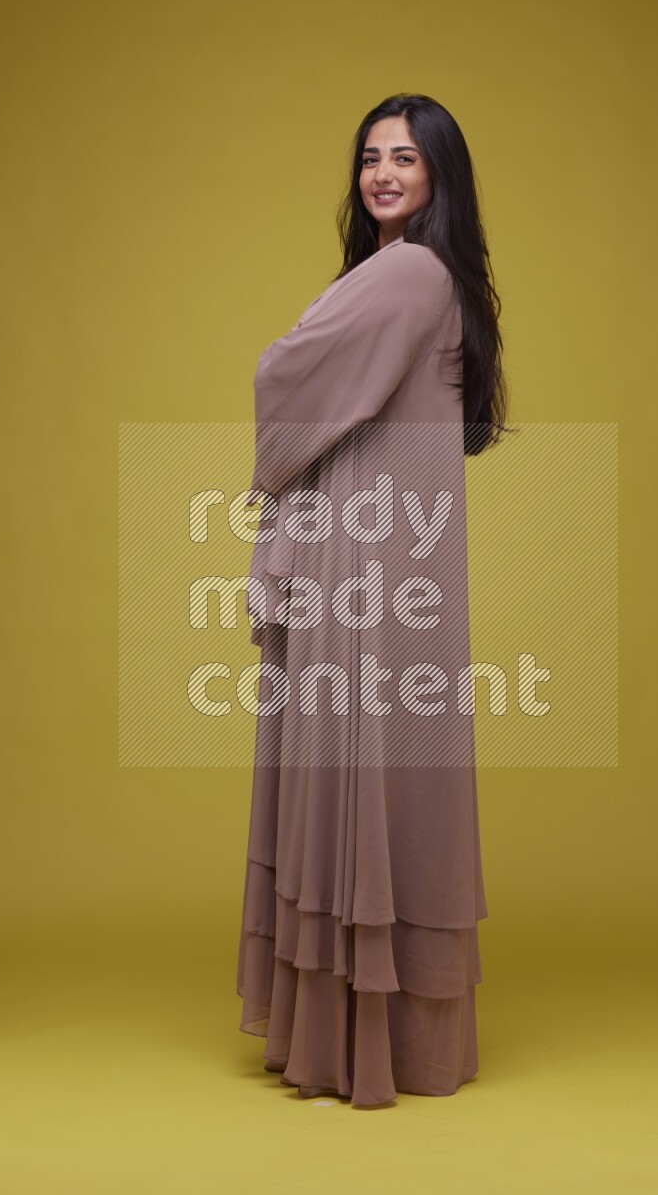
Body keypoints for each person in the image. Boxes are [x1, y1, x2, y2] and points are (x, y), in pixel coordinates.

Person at [236, 92, 510, 1108]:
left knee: (357, 761)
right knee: (389, 765)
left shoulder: (404, 272)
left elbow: (283, 373)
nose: (382, 174)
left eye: (403, 157)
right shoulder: (429, 274)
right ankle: (387, 1035)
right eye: (368, 158)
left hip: (364, 561)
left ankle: (355, 1038)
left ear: (439, 173)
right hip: (395, 558)